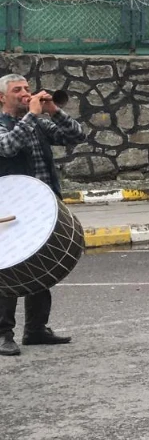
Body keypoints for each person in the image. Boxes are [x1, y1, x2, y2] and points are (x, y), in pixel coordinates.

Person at [0, 73, 86, 357]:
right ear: (2, 97)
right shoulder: (7, 123)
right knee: (9, 271)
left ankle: (36, 329)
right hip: (10, 208)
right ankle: (3, 334)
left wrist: (54, 111)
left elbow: (76, 136)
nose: (26, 93)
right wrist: (33, 116)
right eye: (17, 90)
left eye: (27, 88)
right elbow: (7, 147)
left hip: (42, 205)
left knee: (39, 264)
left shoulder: (37, 122)